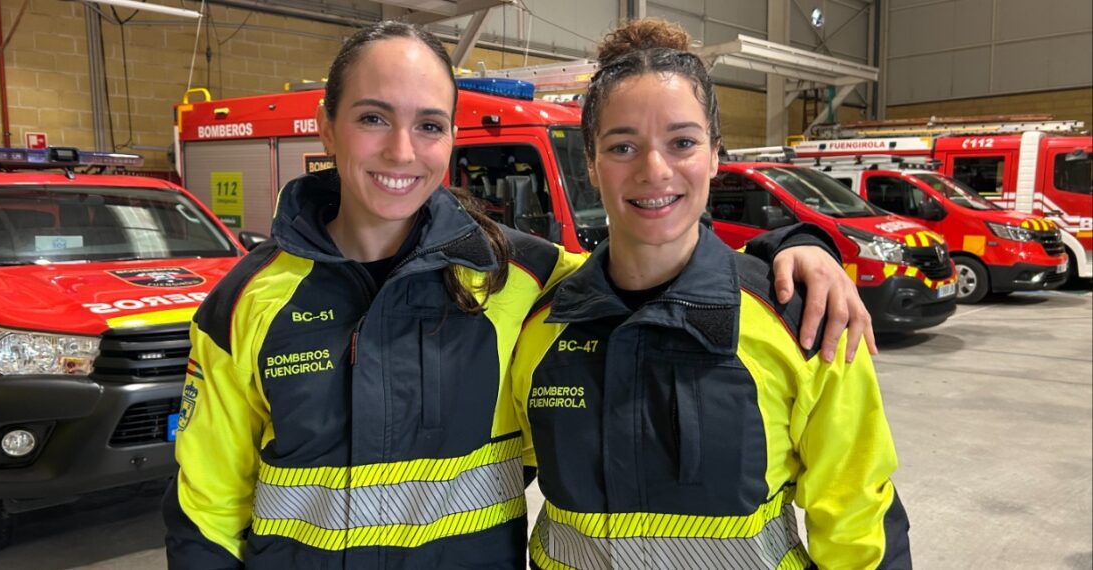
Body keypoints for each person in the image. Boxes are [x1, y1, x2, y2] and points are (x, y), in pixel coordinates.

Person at [163, 20, 877, 570]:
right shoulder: (243, 305)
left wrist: (796, 248)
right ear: (325, 127)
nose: (403, 152)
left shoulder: (527, 283)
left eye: (430, 126)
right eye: (373, 118)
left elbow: (656, 263)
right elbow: (204, 511)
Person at [511, 19, 911, 570]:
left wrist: (805, 243)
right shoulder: (541, 324)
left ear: (716, 154)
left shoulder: (803, 320)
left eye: (682, 142)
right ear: (589, 164)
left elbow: (858, 522)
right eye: (623, 146)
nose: (655, 170)